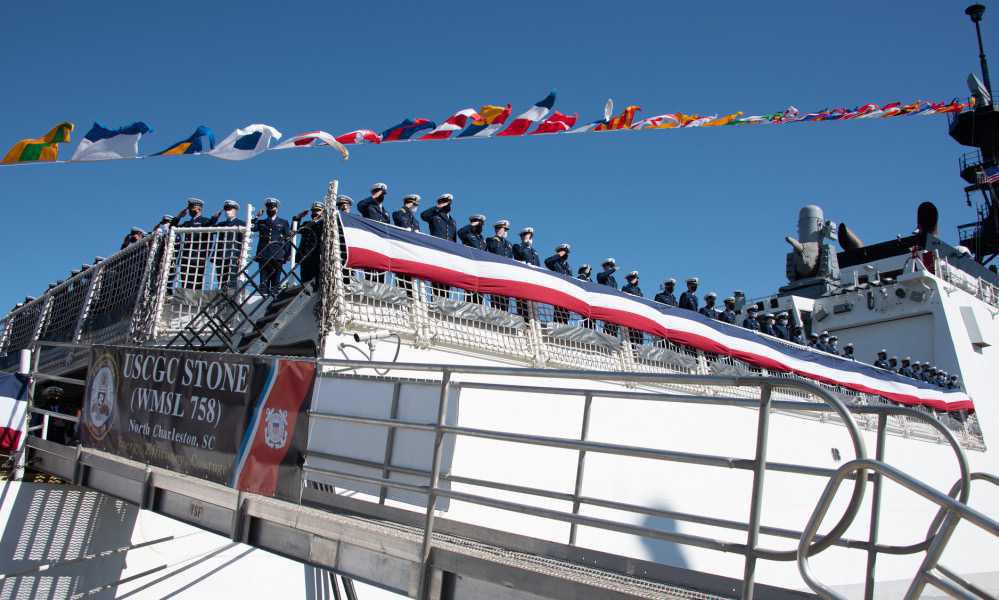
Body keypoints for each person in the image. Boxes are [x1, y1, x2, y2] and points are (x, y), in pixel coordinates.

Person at [252, 197, 292, 296]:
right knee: (263, 282)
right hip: (263, 254)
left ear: (276, 209)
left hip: (277, 255)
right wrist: (256, 217)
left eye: (272, 207)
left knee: (275, 281)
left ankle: (273, 299)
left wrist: (288, 253)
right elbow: (251, 228)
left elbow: (287, 239)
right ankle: (262, 300)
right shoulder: (261, 223)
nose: (270, 209)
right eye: (268, 207)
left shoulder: (283, 222)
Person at [173, 197, 212, 289]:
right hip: (185, 257)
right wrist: (179, 216)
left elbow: (209, 240)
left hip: (198, 256)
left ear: (199, 208)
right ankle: (185, 303)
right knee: (185, 283)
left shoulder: (205, 221)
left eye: (192, 207)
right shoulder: (187, 223)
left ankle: (194, 303)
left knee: (196, 283)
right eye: (189, 208)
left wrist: (205, 255)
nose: (190, 210)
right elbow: (172, 227)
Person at [207, 200, 247, 289]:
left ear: (235, 210)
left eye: (230, 209)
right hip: (220, 256)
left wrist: (240, 255)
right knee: (221, 281)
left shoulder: (241, 223)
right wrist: (215, 217)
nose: (227, 212)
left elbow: (242, 241)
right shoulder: (221, 224)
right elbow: (209, 228)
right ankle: (222, 300)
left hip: (233, 256)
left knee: (231, 281)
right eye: (226, 209)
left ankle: (230, 301)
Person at [458, 215, 487, 303]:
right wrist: (472, 225)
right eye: (478, 224)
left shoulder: (482, 239)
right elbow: (460, 232)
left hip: (481, 268)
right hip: (471, 266)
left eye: (481, 224)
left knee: (480, 292)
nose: (479, 226)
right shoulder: (467, 234)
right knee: (470, 290)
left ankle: (478, 308)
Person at [487, 220, 515, 311]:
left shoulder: (509, 244)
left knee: (505, 299)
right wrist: (498, 237)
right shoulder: (491, 240)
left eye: (506, 230)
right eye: (504, 229)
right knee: (496, 299)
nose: (506, 232)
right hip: (496, 273)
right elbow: (493, 248)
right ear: (498, 229)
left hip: (506, 274)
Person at [295, 202, 324, 285]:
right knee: (304, 279)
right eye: (313, 211)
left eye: (318, 210)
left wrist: (319, 219)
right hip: (304, 255)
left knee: (315, 279)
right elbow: (295, 230)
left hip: (316, 255)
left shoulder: (324, 224)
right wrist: (298, 218)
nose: (315, 213)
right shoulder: (306, 224)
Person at [544, 243, 572, 322]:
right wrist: (559, 255)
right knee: (558, 315)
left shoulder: (568, 267)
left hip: (568, 294)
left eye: (567, 253)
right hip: (559, 292)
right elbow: (547, 261)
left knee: (566, 316)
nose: (566, 254)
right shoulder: (555, 263)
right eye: (564, 252)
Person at [597, 258, 619, 335]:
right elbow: (603, 276)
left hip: (614, 303)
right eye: (610, 266)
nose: (611, 267)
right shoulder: (600, 275)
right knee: (608, 323)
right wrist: (613, 270)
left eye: (612, 266)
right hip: (606, 302)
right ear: (605, 266)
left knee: (615, 324)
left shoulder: (613, 279)